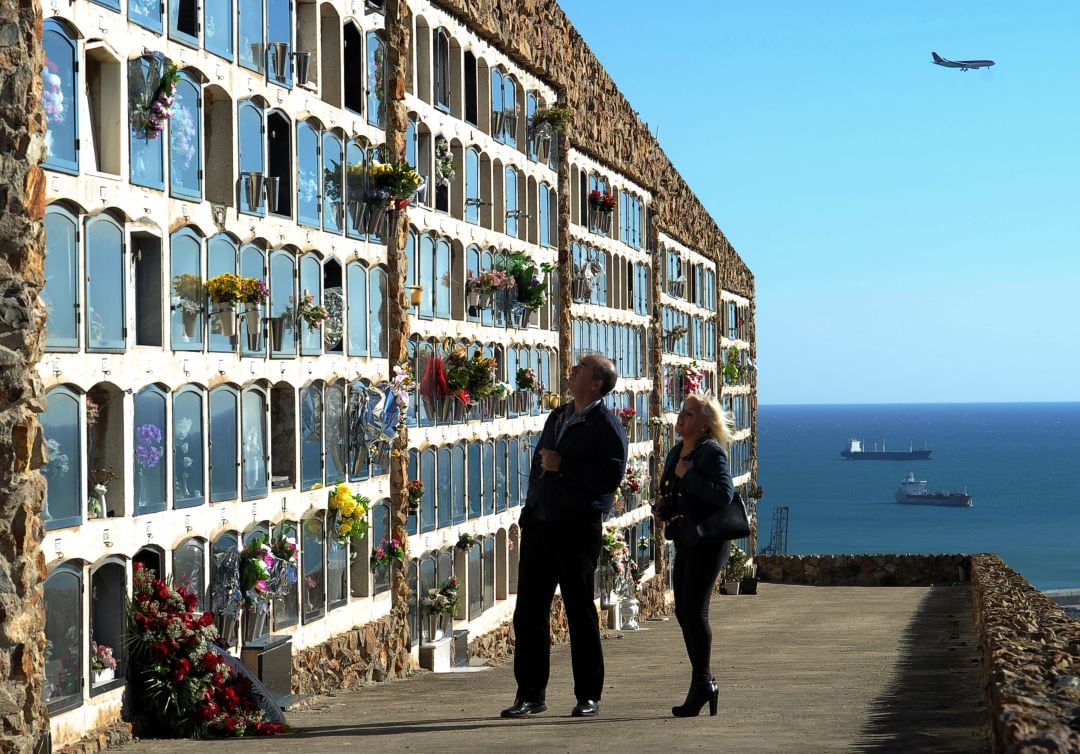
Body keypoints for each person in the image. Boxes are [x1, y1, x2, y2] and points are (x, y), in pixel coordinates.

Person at [501, 354, 628, 719]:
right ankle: (530, 694)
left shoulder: (606, 426)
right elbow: (540, 464)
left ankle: (588, 694)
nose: (572, 371)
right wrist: (531, 509)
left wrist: (564, 467)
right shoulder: (558, 416)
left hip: (576, 528)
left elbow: (609, 480)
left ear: (597, 384)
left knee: (579, 611)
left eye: (581, 368)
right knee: (529, 612)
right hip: (541, 524)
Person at [653, 392, 736, 718]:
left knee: (695, 611)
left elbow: (723, 493)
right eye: (682, 412)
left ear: (704, 424)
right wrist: (664, 509)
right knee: (683, 612)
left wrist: (690, 476)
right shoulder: (677, 451)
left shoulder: (710, 452)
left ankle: (702, 682)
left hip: (709, 543)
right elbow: (675, 492)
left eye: (688, 414)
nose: (681, 418)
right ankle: (702, 682)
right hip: (686, 539)